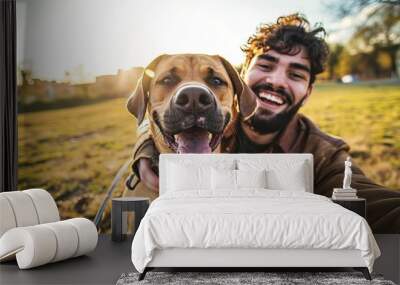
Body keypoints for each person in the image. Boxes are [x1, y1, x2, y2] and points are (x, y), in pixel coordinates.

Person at [125, 14, 400, 233]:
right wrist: (147, 146)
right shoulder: (215, 126)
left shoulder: (323, 156)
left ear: (308, 93)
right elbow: (157, 119)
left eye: (295, 73)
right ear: (241, 78)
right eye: (266, 65)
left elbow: (377, 204)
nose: (277, 81)